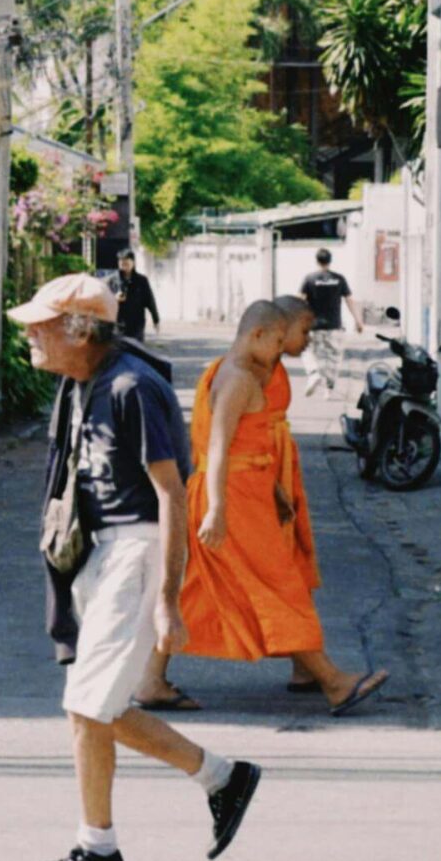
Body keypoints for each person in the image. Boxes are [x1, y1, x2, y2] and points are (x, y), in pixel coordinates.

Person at [14, 273, 261, 861]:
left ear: (78, 329)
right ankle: (222, 778)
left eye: (41, 325)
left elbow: (172, 495)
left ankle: (97, 849)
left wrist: (168, 603)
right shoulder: (85, 383)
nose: (29, 336)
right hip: (104, 554)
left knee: (85, 708)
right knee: (104, 707)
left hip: (135, 552)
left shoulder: (131, 386)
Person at [138, 300, 386, 715]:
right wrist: (217, 508)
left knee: (198, 584)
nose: (282, 349)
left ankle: (149, 680)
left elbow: (244, 447)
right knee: (277, 586)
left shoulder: (234, 372)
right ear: (258, 335)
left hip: (245, 491)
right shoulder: (236, 378)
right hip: (232, 498)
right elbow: (218, 447)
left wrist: (272, 490)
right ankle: (333, 681)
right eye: (278, 339)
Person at [298, 249, 353, 394]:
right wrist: (358, 321)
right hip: (334, 325)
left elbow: (299, 301)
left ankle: (313, 373)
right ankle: (329, 387)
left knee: (306, 349)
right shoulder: (339, 279)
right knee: (333, 355)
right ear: (330, 261)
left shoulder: (309, 279)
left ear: (317, 261)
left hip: (313, 326)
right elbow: (349, 301)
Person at [105, 249, 160, 341]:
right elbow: (104, 301)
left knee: (136, 351)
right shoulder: (112, 281)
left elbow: (150, 301)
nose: (123, 263)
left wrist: (156, 320)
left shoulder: (142, 281)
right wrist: (114, 299)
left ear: (133, 262)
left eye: (126, 261)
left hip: (136, 325)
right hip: (117, 325)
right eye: (121, 261)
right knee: (119, 351)